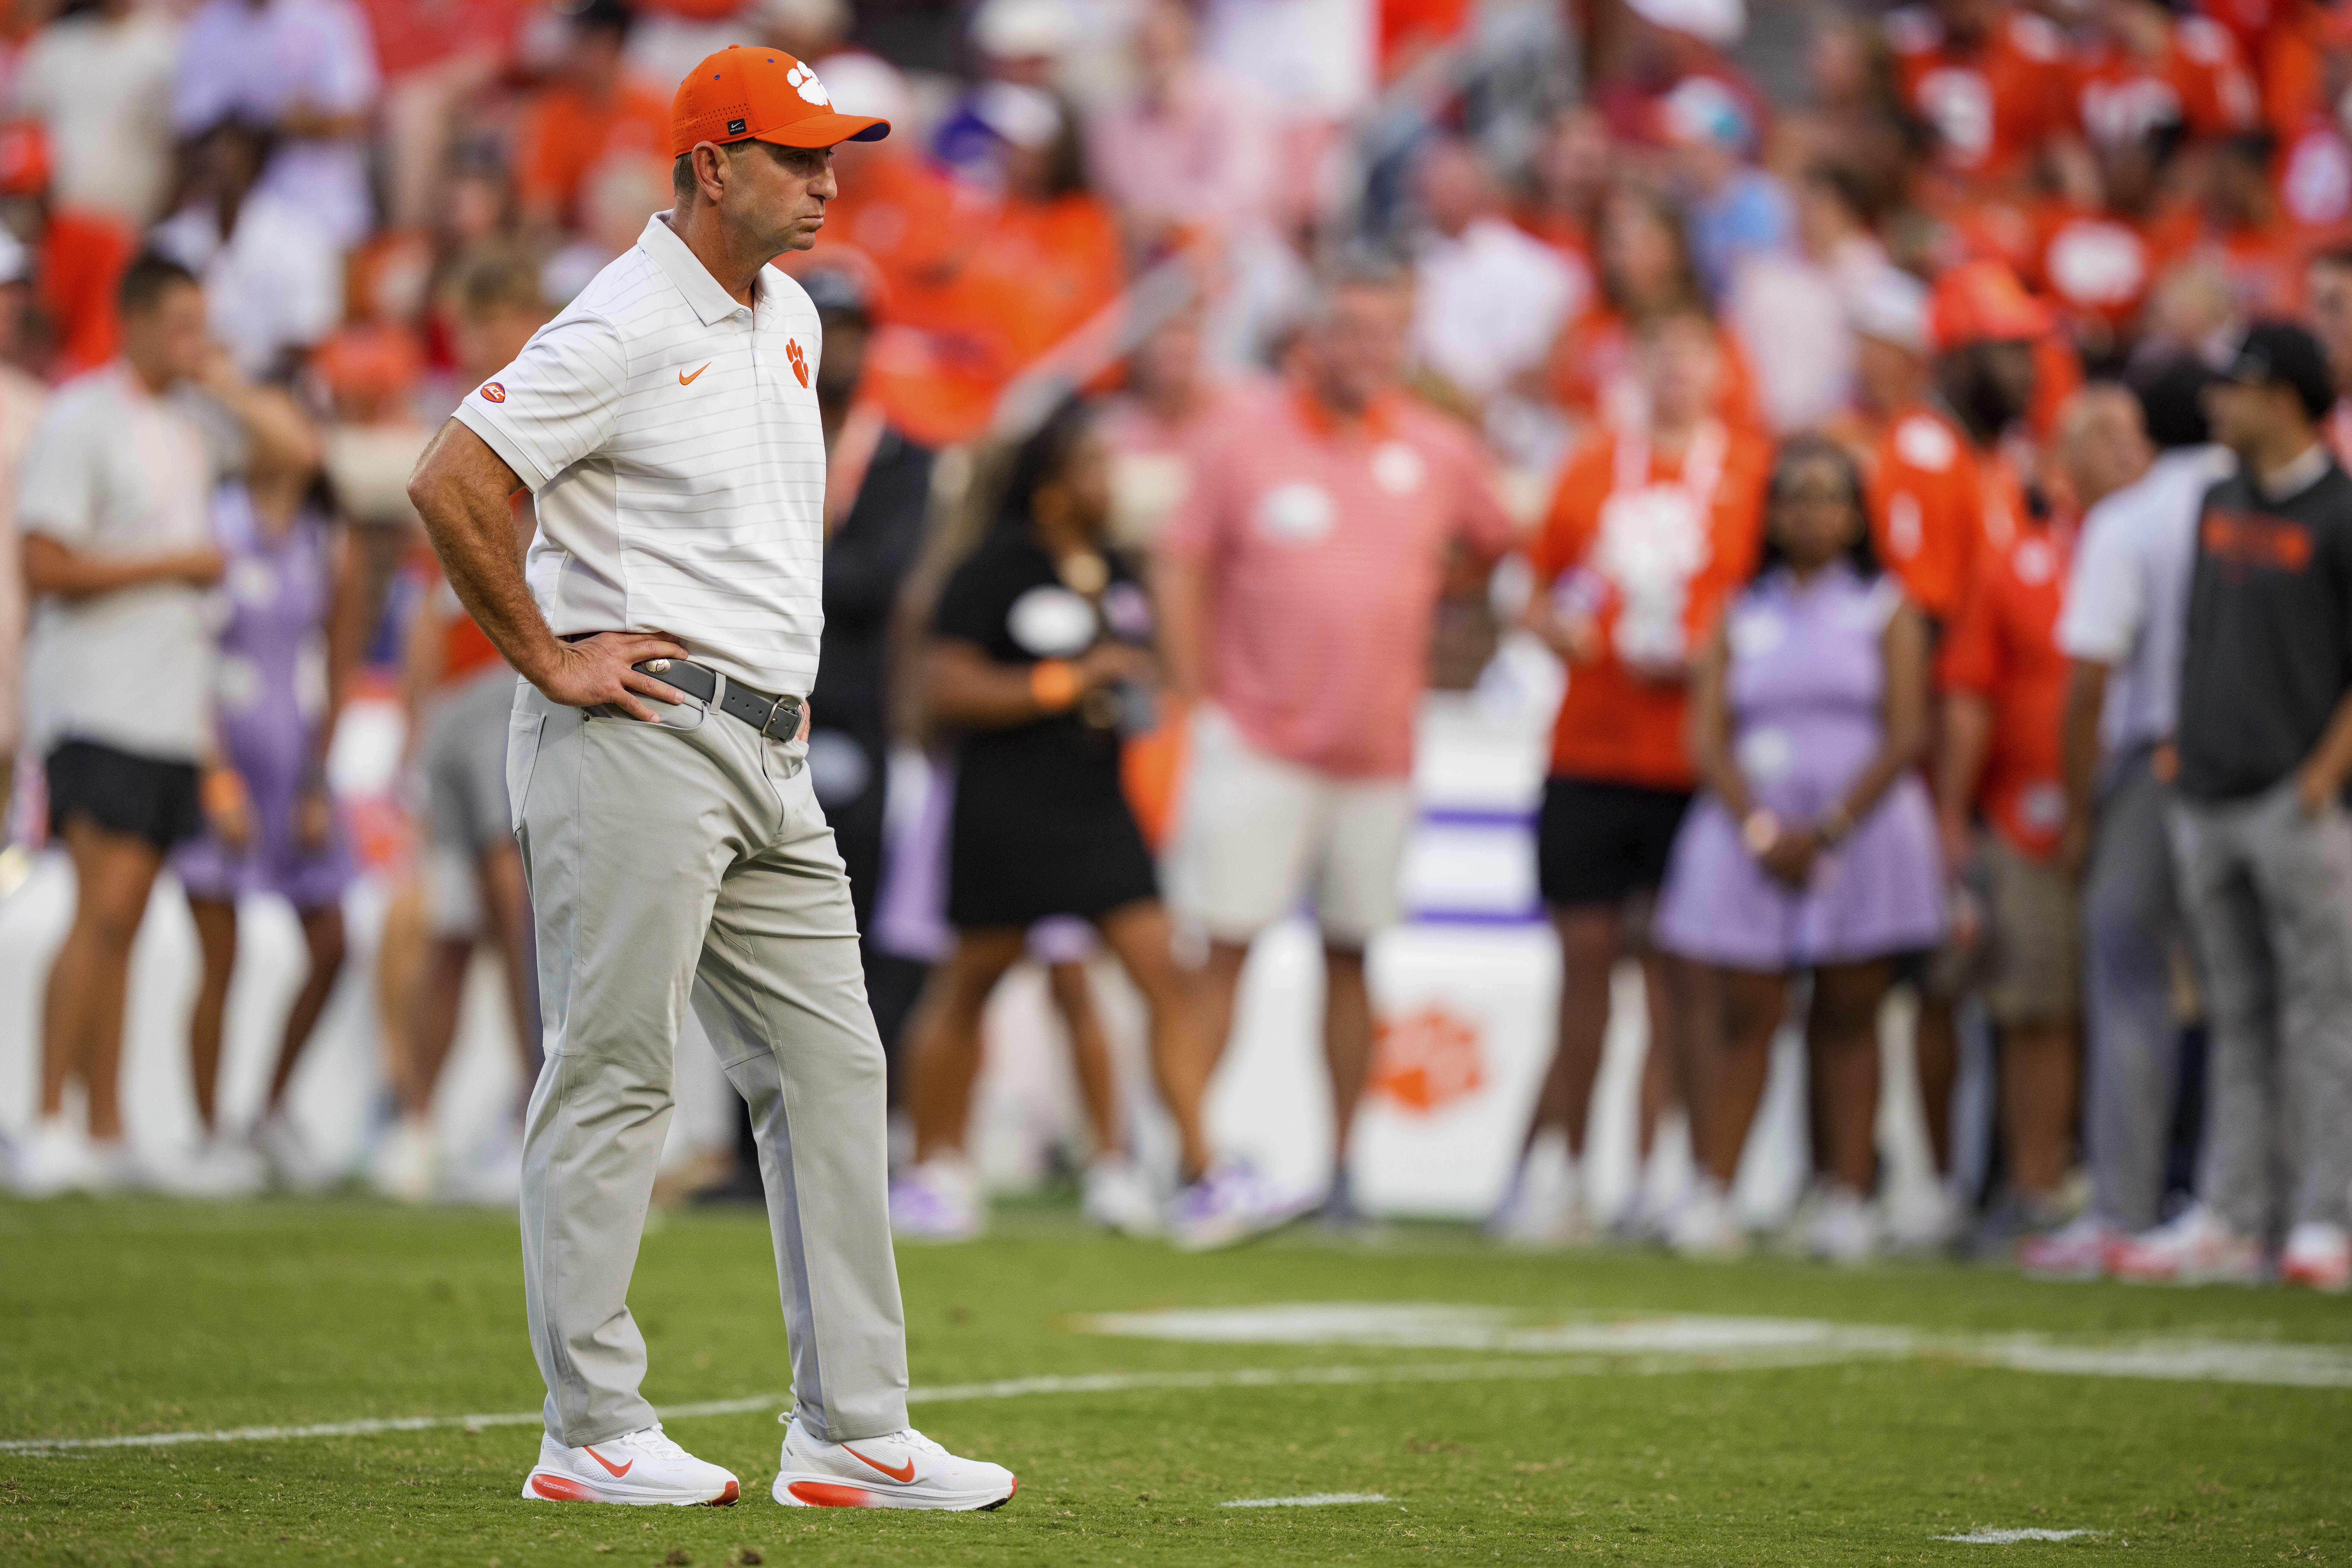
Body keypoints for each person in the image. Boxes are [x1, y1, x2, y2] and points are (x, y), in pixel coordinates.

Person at [405, 45, 1014, 1509]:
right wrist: (550, 658)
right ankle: (590, 1424)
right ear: (706, 164)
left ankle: (853, 1427)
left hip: (767, 743)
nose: (828, 180)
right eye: (798, 156)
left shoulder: (792, 307)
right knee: (617, 1066)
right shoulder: (617, 318)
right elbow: (450, 476)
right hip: (640, 734)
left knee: (835, 1067)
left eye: (832, 154)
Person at [1155, 259, 1517, 1240]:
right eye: (1352, 332)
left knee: (1357, 956)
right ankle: (1191, 1155)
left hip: (1378, 750)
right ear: (1313, 339)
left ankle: (1347, 1170)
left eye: (1385, 334)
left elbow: (1498, 541)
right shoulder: (1244, 435)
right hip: (1259, 737)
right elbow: (1181, 559)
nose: (1368, 353)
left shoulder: (1437, 448)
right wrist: (1197, 696)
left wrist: (1468, 634)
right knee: (1220, 950)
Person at [889, 401, 1202, 1243]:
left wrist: (1140, 689)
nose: (1110, 482)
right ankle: (934, 1167)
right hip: (1008, 806)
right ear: (1053, 487)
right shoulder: (991, 566)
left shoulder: (1118, 569)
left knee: (1161, 978)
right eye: (1093, 467)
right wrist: (1067, 682)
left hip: (1098, 804)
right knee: (969, 985)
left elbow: (1154, 675)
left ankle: (1190, 1168)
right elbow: (947, 689)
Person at [1492, 308, 1768, 1246]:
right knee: (1582, 969)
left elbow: (1776, 604)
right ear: (1639, 367)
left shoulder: (1750, 475)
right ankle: (1562, 1170)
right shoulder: (1587, 463)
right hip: (1589, 749)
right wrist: (1555, 630)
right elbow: (1534, 594)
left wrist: (1718, 658)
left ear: (1721, 370)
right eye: (1663, 355)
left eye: (1695, 354)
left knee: (1686, 978)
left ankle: (1686, 1179)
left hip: (1694, 758)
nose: (1678, 373)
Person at [1656, 435, 1944, 1261]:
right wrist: (1758, 826)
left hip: (1857, 835)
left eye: (1827, 497)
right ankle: (1715, 1190)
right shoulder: (1742, 610)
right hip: (1754, 835)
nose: (1810, 512)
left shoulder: (1883, 606)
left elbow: (1904, 730)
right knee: (1744, 1014)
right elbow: (1707, 736)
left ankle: (1847, 1192)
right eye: (1793, 496)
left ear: (1856, 516)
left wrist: (1829, 828)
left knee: (1849, 1019)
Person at [2111, 321, 2352, 1293]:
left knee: (2325, 1014)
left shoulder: (2339, 511)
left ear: (2285, 398)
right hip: (2208, 790)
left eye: (2236, 388)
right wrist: (2181, 744)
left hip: (2295, 801)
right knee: (2233, 1015)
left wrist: (2325, 772)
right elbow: (2199, 632)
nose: (2218, 404)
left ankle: (2325, 1218)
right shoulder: (2216, 498)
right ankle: (2232, 1212)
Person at [8, 254, 223, 1197]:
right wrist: (168, 564)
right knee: (100, 911)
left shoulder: (187, 430)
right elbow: (44, 562)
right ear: (132, 322)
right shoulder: (80, 419)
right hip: (94, 699)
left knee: (128, 919)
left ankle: (106, 1122)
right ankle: (46, 1114)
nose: (197, 346)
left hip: (167, 706)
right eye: (181, 326)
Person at [2027, 353, 2224, 1278]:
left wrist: (2077, 812)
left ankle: (2123, 1207)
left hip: (2153, 759)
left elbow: (2088, 679)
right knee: (2260, 996)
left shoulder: (2131, 519)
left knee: (2129, 981)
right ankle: (2257, 1209)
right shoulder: (2255, 500)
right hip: (2266, 762)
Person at [1936, 387, 2144, 1251]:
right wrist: (1952, 812)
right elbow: (1970, 696)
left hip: (2138, 797)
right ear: (2058, 459)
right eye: (2093, 434)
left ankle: (2132, 1187)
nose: (2116, 449)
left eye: (2126, 432)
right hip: (2029, 817)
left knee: (2138, 1003)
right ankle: (2035, 1185)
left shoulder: (2165, 542)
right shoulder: (2017, 561)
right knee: (2034, 1002)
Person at [374, 250, 548, 1205]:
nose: (484, 341)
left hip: (506, 683)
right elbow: (423, 595)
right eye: (472, 325)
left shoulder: (547, 419)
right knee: (446, 922)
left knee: (511, 903)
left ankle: (532, 1112)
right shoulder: (459, 424)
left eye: (498, 319)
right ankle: (414, 1119)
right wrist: (408, 717)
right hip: (450, 693)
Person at [172, 359, 356, 1194]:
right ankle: (208, 1133)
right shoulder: (213, 521)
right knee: (223, 953)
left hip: (294, 763)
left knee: (332, 942)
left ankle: (269, 1110)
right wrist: (213, 774)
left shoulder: (328, 542)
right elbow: (189, 654)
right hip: (224, 757)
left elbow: (337, 668)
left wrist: (319, 778)